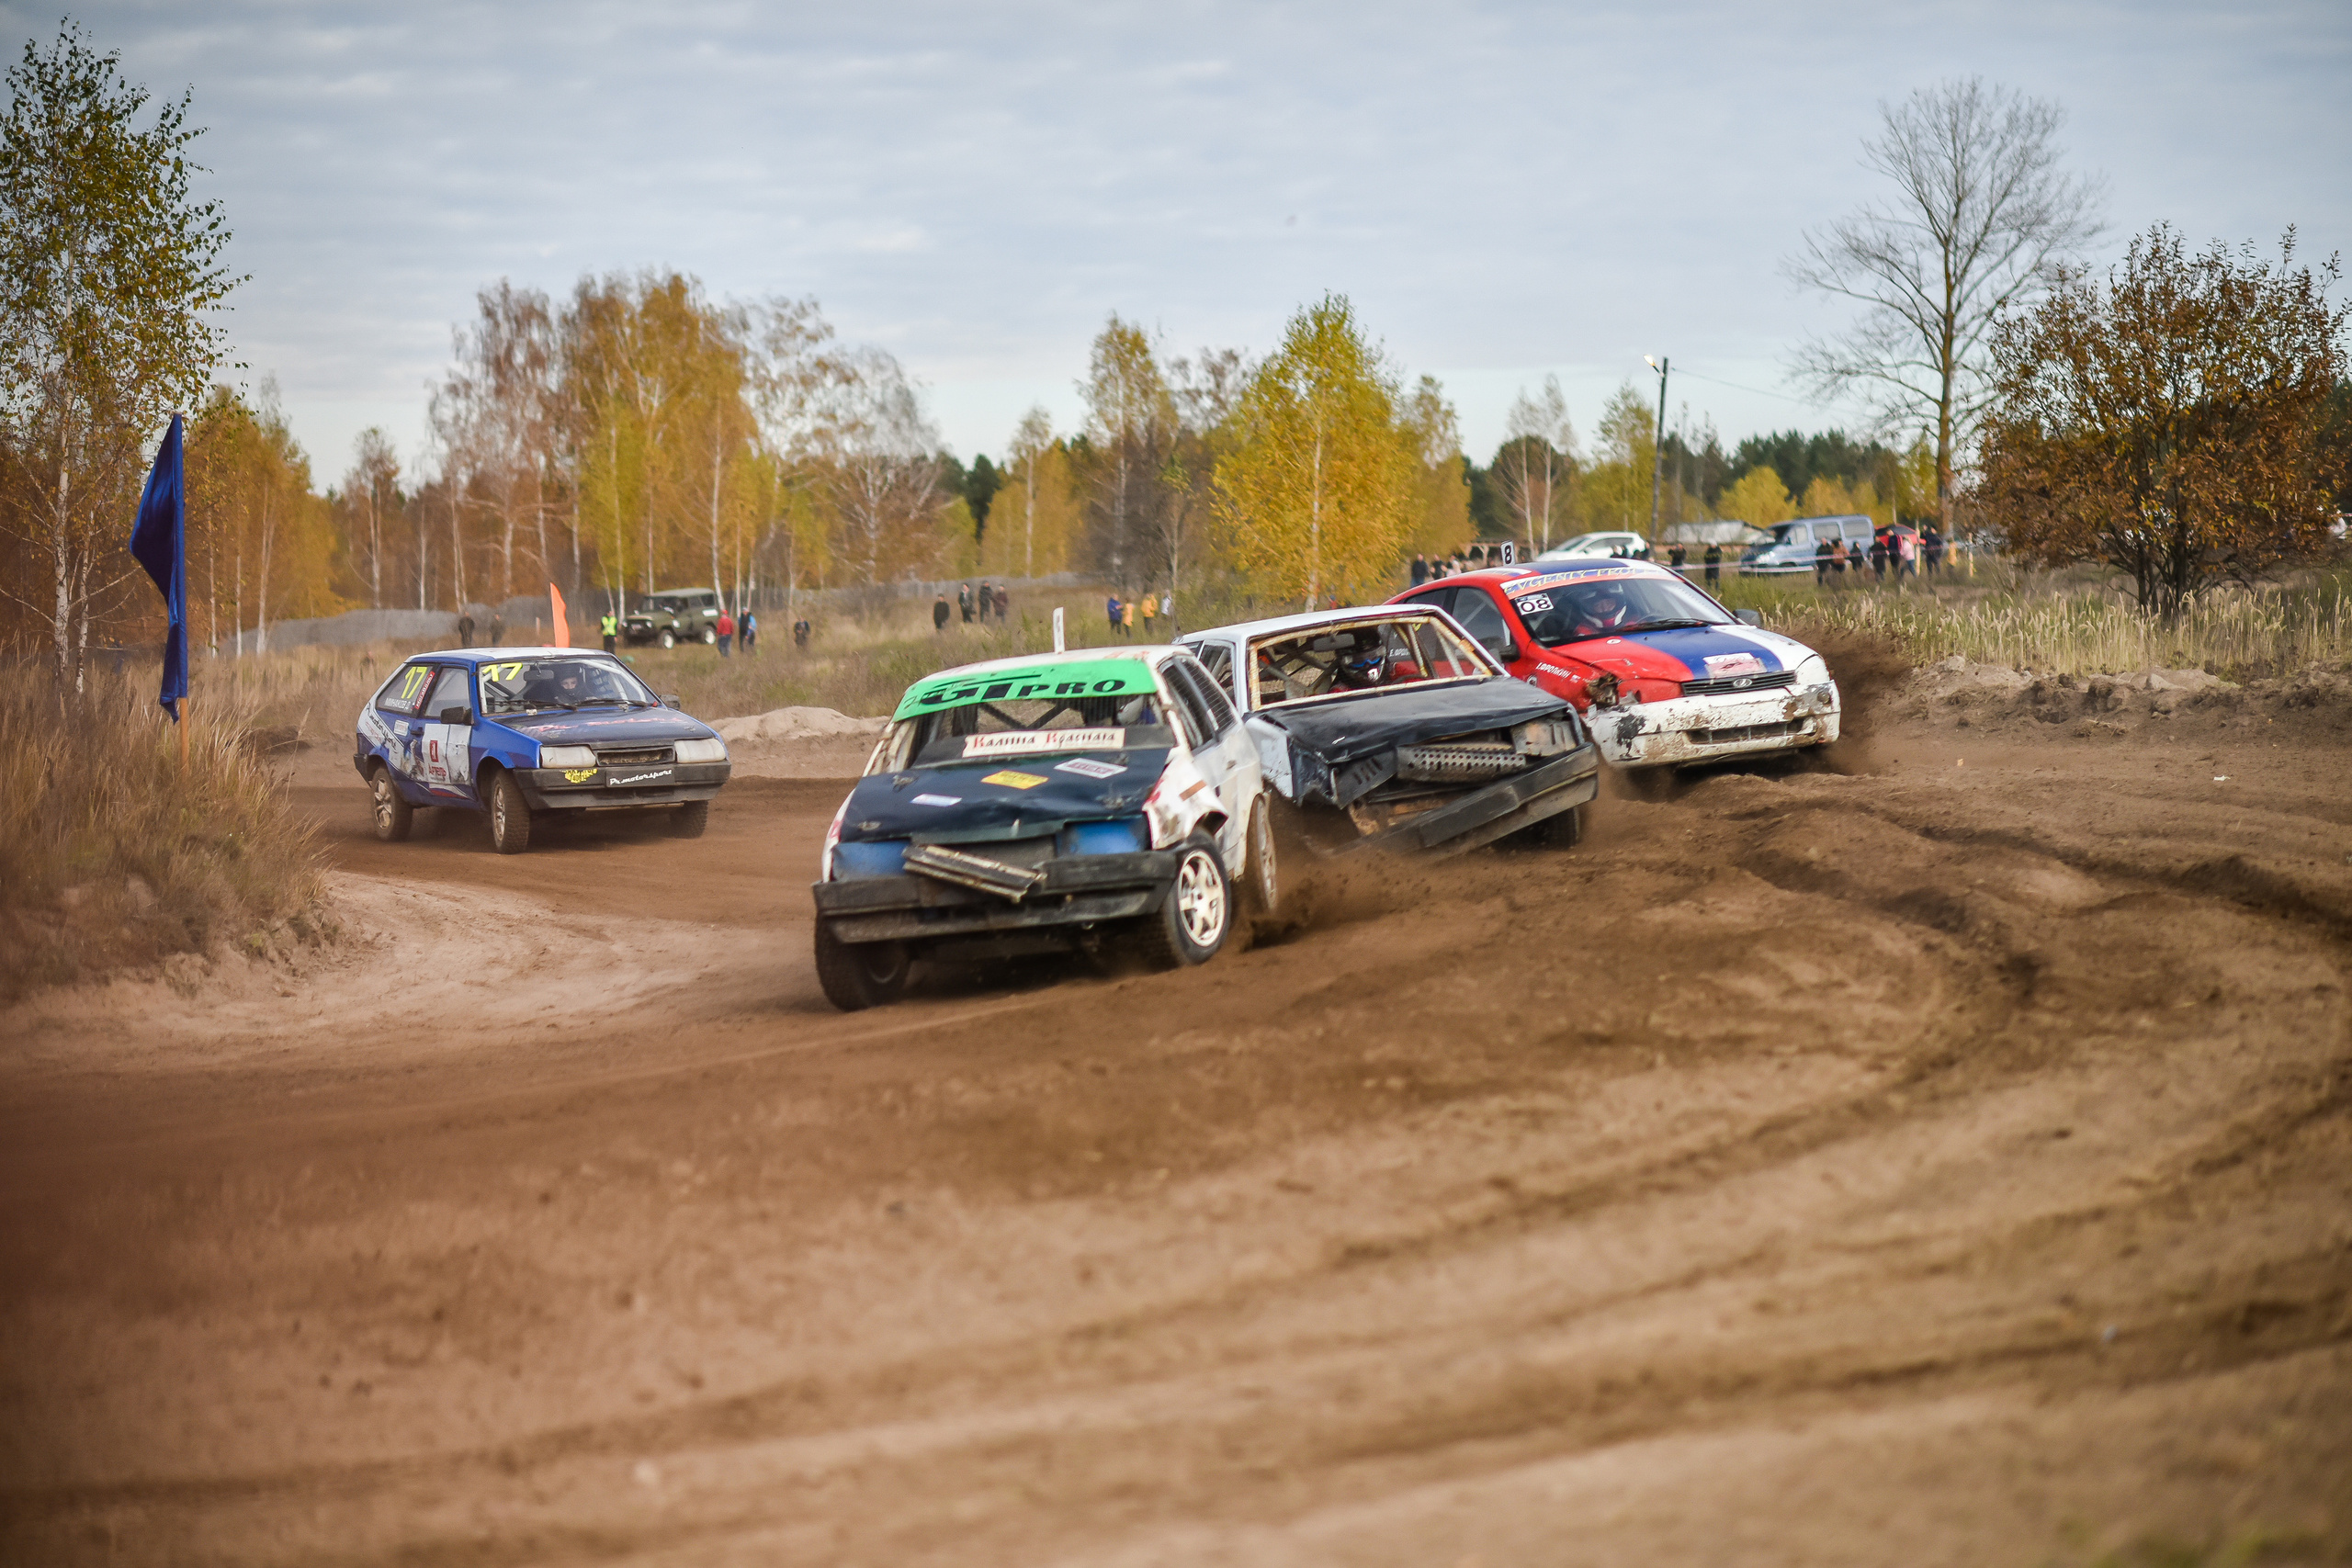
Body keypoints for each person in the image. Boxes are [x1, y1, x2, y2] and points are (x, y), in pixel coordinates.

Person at [1567, 581, 1635, 637]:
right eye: (1598, 605)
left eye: (1609, 603)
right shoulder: (1584, 631)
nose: (1605, 608)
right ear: (1590, 609)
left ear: (1618, 603)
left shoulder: (1634, 626)